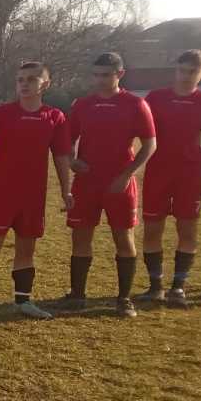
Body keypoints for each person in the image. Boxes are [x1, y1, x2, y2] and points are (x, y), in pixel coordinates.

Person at [0, 61, 73, 320]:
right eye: (21, 79)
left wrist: (66, 190)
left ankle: (23, 301)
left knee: (26, 249)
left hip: (33, 196)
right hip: (2, 194)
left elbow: (61, 156)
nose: (24, 84)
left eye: (32, 79)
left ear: (45, 84)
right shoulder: (2, 113)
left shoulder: (55, 117)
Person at [61, 52, 156, 317]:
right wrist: (72, 160)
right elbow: (68, 139)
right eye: (96, 75)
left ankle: (124, 299)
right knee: (80, 237)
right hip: (86, 183)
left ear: (120, 74)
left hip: (119, 184)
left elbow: (150, 145)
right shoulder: (83, 105)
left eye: (105, 75)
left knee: (123, 238)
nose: (100, 80)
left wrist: (126, 175)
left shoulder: (135, 104)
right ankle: (77, 295)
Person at [140, 49, 201, 306]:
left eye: (193, 71)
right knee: (152, 229)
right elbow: (139, 132)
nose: (185, 76)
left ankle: (178, 287)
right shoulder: (155, 98)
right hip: (158, 172)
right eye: (182, 70)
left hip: (190, 175)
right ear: (176, 70)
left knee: (187, 229)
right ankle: (155, 287)